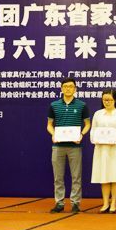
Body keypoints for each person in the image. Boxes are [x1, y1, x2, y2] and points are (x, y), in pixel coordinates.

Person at [47, 78, 91, 213]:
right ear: (61, 88)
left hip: (74, 147)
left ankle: (75, 203)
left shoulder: (82, 105)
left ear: (75, 89)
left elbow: (87, 124)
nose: (68, 88)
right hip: (58, 146)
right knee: (58, 177)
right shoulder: (54, 105)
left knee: (76, 176)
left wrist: (81, 134)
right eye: (65, 86)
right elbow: (49, 125)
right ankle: (59, 203)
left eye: (71, 86)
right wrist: (53, 134)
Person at [90, 90, 116, 214]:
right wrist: (95, 138)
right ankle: (105, 203)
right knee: (104, 176)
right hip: (102, 149)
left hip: (115, 148)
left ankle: (113, 204)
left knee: (115, 175)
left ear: (115, 100)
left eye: (110, 100)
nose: (107, 102)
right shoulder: (98, 114)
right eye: (105, 100)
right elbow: (93, 131)